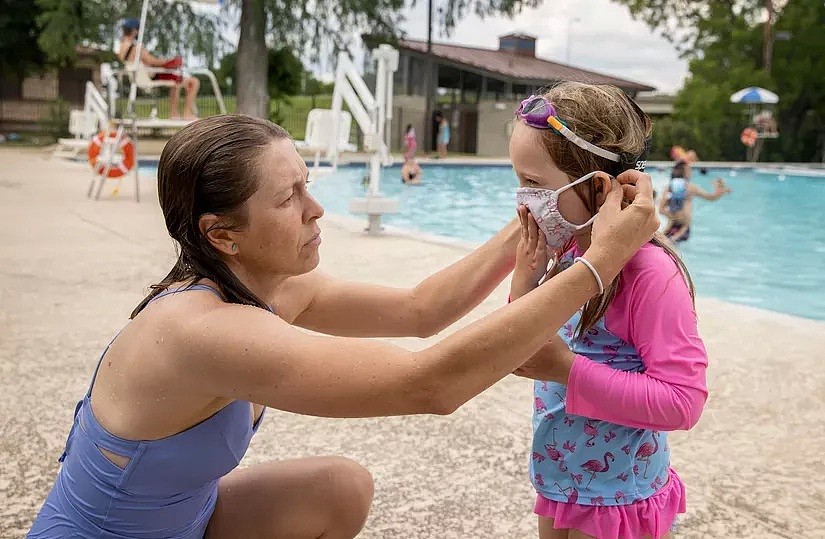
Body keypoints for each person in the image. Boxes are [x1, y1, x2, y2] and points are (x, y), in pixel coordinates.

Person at [27, 114, 659, 539]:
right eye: (288, 199)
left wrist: (545, 206)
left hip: (184, 520)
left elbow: (421, 310)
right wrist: (600, 263)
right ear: (221, 233)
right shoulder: (201, 330)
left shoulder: (269, 287)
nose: (317, 208)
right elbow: (429, 384)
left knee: (341, 488)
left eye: (307, 184)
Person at [507, 83, 710, 539]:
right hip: (560, 483)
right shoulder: (567, 258)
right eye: (518, 181)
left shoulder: (650, 274)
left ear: (598, 186)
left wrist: (567, 369)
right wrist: (524, 280)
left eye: (535, 184)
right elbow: (519, 351)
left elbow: (684, 402)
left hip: (620, 500)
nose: (523, 198)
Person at [117, 17, 201, 120]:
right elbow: (152, 61)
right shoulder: (136, 47)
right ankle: (185, 113)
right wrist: (170, 61)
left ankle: (175, 114)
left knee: (177, 81)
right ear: (134, 30)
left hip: (140, 77)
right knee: (193, 82)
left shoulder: (120, 47)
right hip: (152, 75)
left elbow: (142, 62)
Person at [660, 160, 731, 243]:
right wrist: (721, 191)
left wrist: (673, 217)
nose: (691, 172)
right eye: (689, 170)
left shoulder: (669, 187)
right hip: (683, 227)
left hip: (671, 226)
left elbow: (661, 209)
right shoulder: (691, 188)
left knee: (665, 245)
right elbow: (710, 197)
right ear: (685, 171)